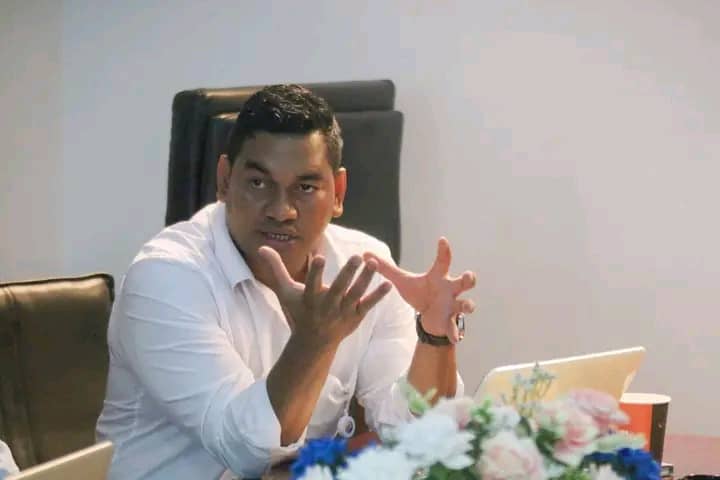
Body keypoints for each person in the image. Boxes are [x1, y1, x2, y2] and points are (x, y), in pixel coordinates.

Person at [96, 84, 477, 479]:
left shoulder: (365, 266)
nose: (281, 210)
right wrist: (315, 341)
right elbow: (245, 451)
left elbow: (415, 432)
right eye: (259, 183)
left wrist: (434, 336)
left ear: (338, 193)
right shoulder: (166, 278)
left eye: (305, 188)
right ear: (224, 180)